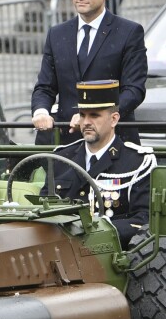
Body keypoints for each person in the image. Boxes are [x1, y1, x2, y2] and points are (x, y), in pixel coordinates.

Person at [31, 0, 147, 146]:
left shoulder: (129, 32)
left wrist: (92, 117)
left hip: (113, 144)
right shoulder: (57, 34)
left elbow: (134, 90)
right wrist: (41, 112)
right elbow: (45, 86)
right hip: (66, 145)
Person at [41, 80, 155, 248]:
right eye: (82, 115)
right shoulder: (61, 159)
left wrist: (96, 231)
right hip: (60, 252)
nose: (86, 122)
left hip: (115, 255)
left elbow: (144, 220)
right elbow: (42, 208)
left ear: (114, 119)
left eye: (94, 115)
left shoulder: (137, 162)